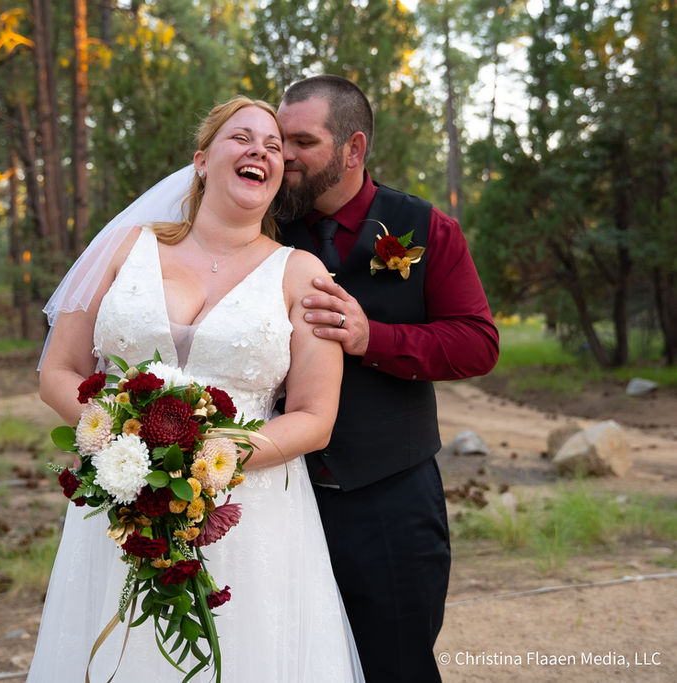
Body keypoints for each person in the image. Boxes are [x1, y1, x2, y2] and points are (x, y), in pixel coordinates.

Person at [28, 96, 364, 682]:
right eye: (242, 137)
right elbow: (57, 371)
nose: (260, 149)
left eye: (274, 145)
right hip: (125, 500)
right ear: (202, 160)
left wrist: (212, 459)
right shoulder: (125, 249)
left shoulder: (302, 273)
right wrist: (119, 441)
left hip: (250, 514)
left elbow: (315, 416)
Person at [275, 75, 500, 682]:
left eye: (302, 141)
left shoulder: (427, 230)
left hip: (390, 498)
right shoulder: (258, 228)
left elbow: (479, 344)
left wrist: (374, 338)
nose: (284, 156)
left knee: (396, 664)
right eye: (279, 138)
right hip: (276, 497)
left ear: (353, 149)